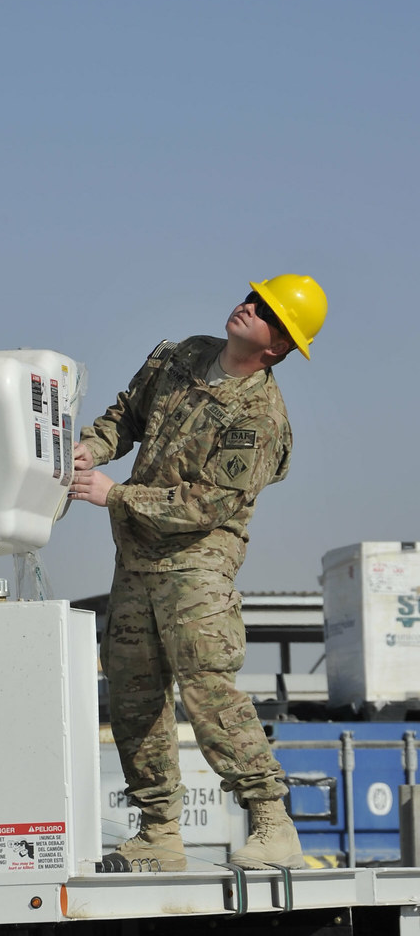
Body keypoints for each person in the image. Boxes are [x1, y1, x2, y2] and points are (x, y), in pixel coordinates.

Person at [70, 274, 328, 872]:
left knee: (207, 688)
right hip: (136, 557)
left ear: (278, 346)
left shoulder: (260, 418)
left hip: (197, 563)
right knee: (134, 694)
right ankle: (159, 834)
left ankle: (272, 823)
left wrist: (114, 495)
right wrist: (91, 448)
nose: (249, 306)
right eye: (254, 297)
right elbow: (126, 417)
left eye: (266, 311)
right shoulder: (183, 354)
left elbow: (206, 505)